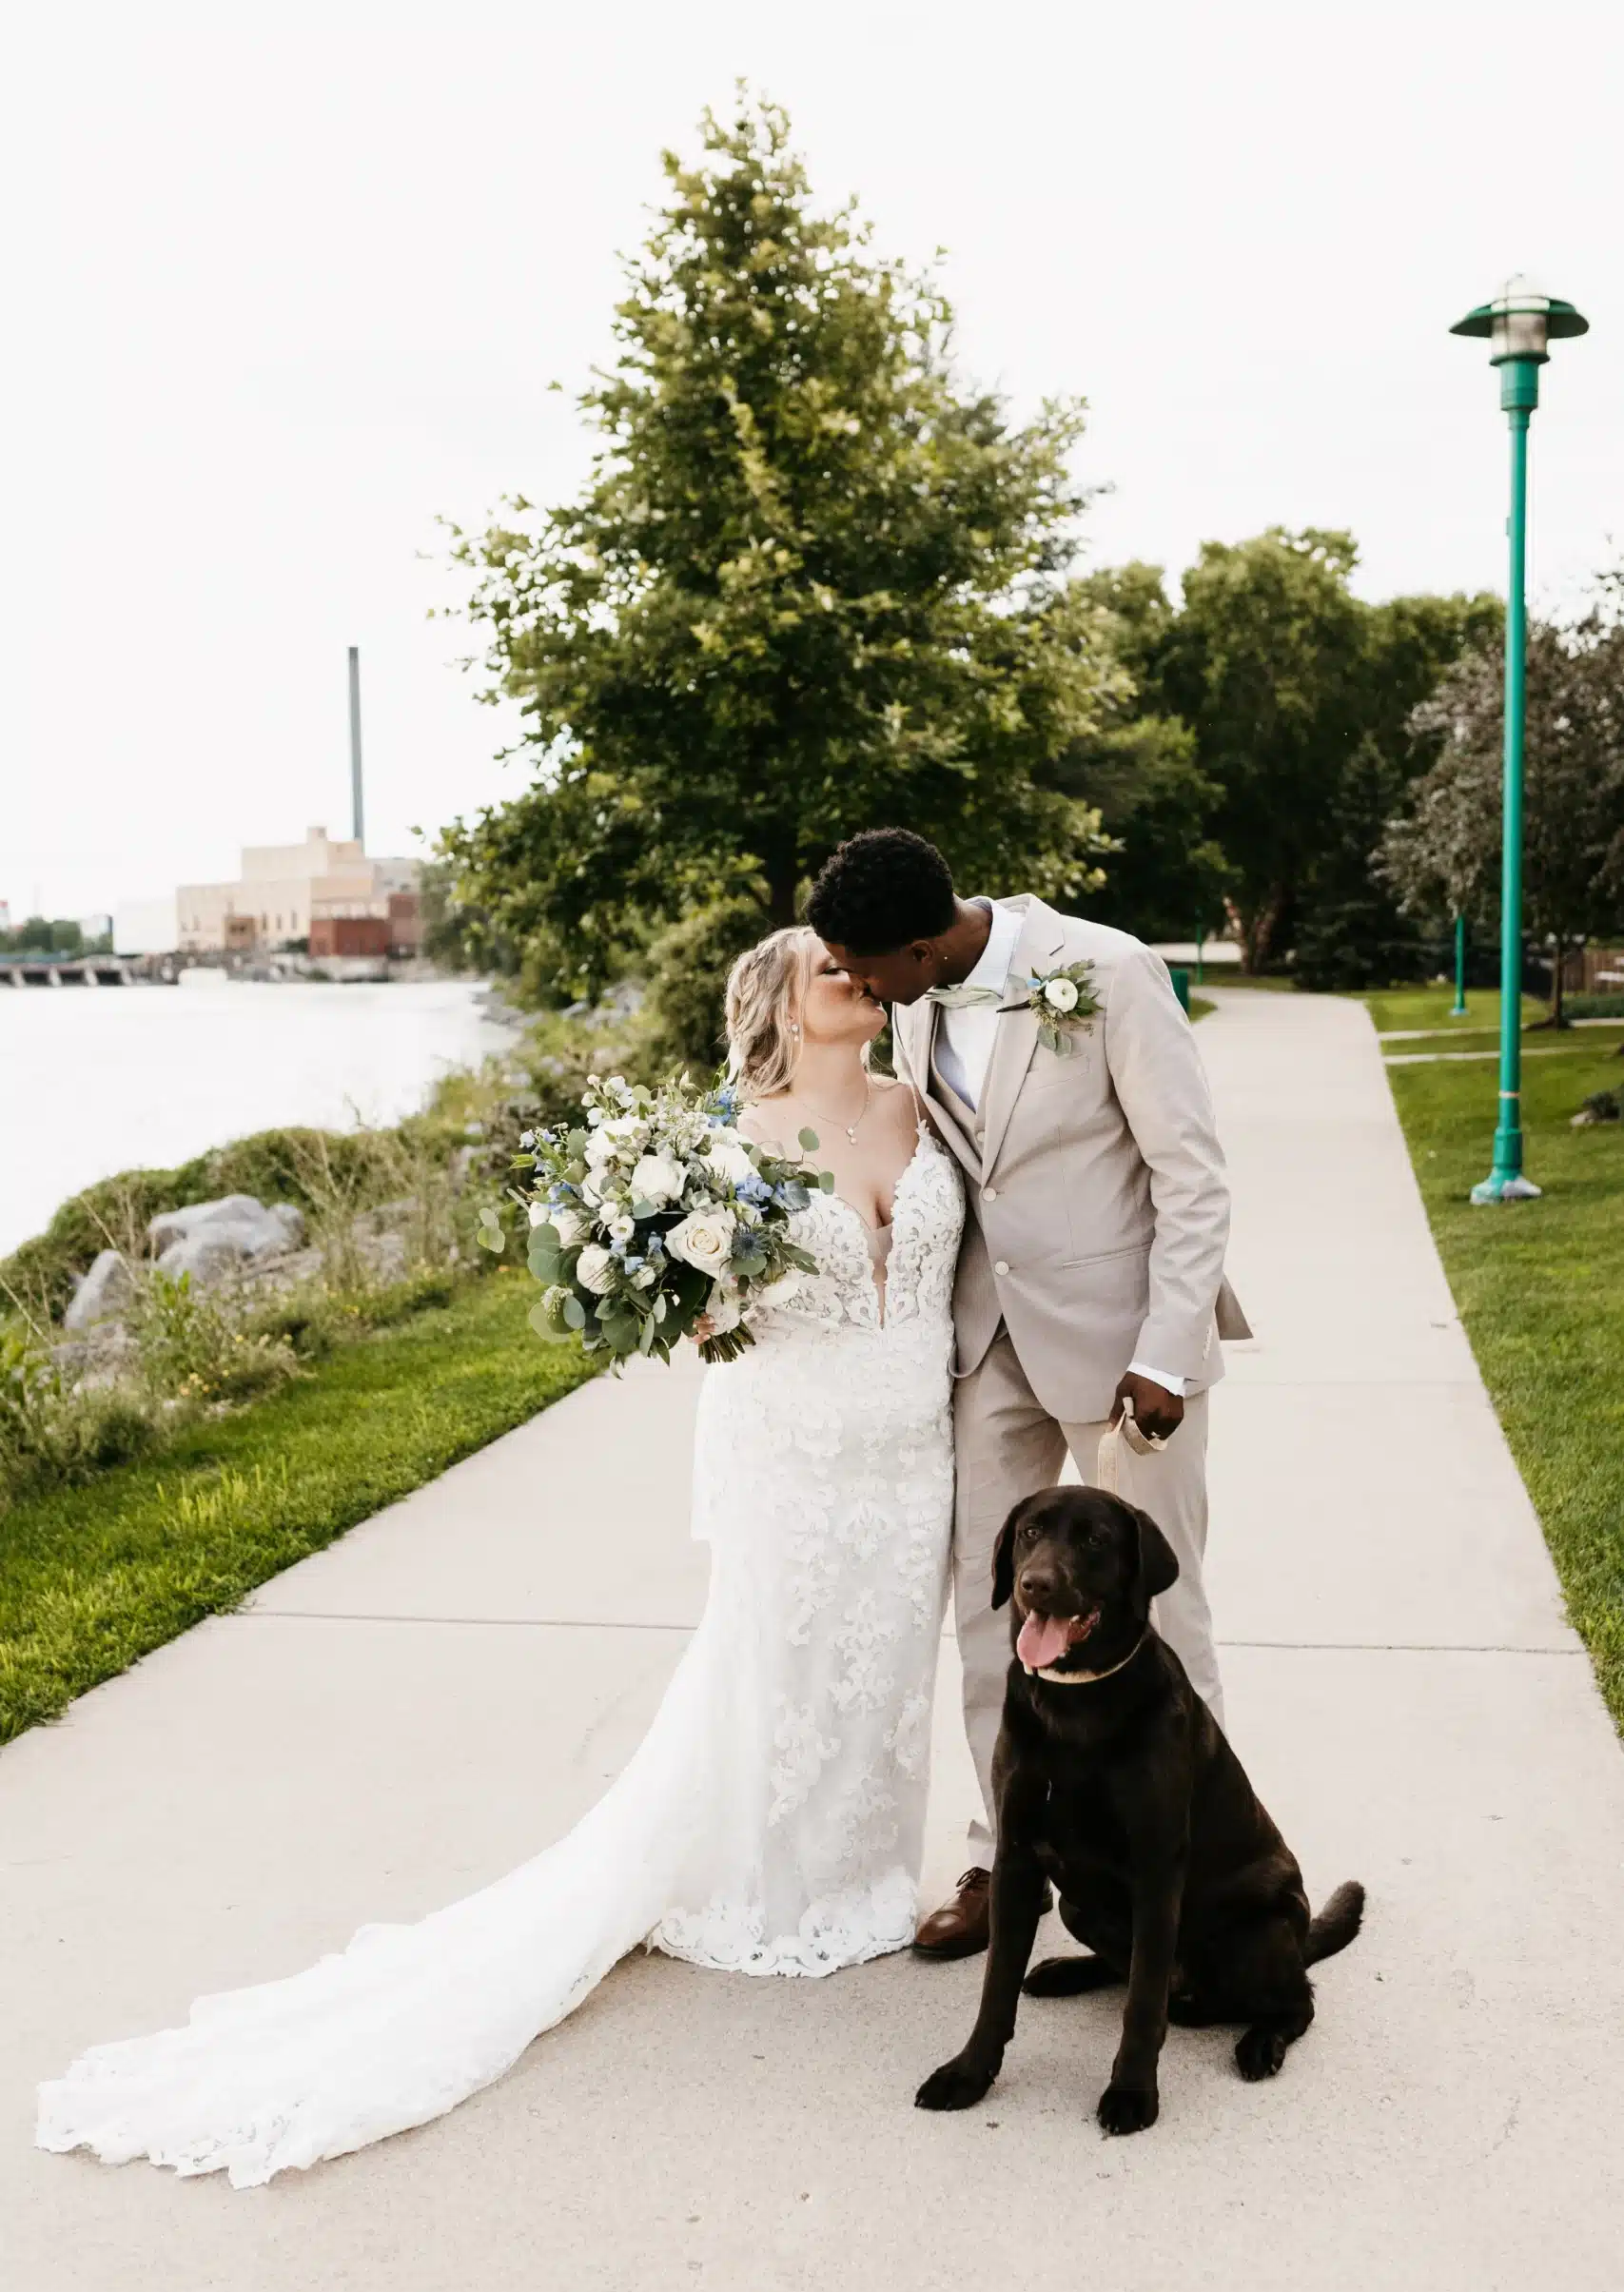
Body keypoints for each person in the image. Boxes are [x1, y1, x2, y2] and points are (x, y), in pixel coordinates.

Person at [37, 929, 964, 2186]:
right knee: (783, 1663)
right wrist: (675, 1286)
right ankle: (770, 1894)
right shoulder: (730, 1139)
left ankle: (864, 1882)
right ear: (779, 1009)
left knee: (885, 1667)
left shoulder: (922, 1107)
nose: (855, 983)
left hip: (913, 1452)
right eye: (829, 974)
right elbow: (698, 1311)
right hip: (792, 1452)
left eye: (861, 969)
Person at [809, 827, 1247, 1962]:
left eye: (865, 968)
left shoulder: (1107, 971)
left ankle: (1186, 1863)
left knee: (1167, 1602)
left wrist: (1166, 1347)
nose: (857, 988)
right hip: (983, 1339)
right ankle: (1006, 1851)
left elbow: (1190, 1173)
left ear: (922, 941)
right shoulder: (915, 1000)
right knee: (988, 1597)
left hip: (1123, 1352)